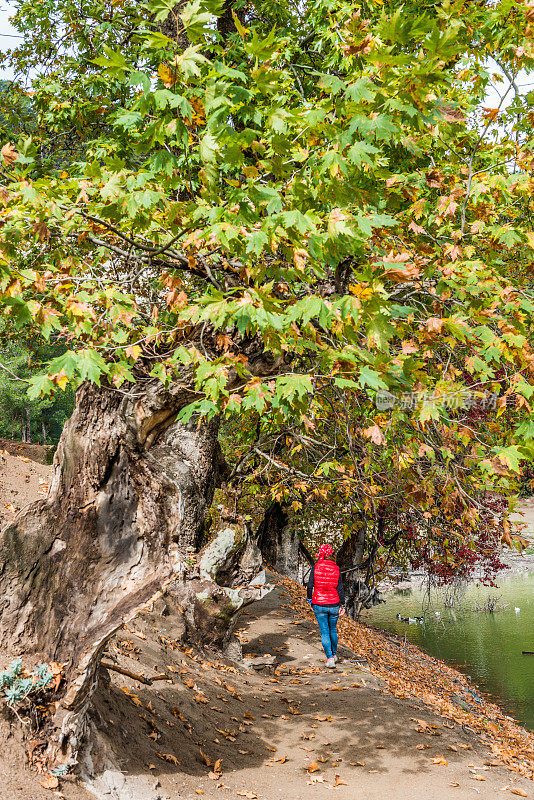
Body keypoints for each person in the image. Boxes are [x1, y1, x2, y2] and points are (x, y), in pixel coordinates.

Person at [306, 543, 345, 668]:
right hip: (334, 604)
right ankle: (334, 655)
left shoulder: (316, 567)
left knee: (324, 632)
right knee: (333, 630)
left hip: (319, 604)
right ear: (331, 554)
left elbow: (310, 585)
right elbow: (340, 588)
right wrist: (342, 605)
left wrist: (309, 600)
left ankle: (330, 659)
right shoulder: (336, 568)